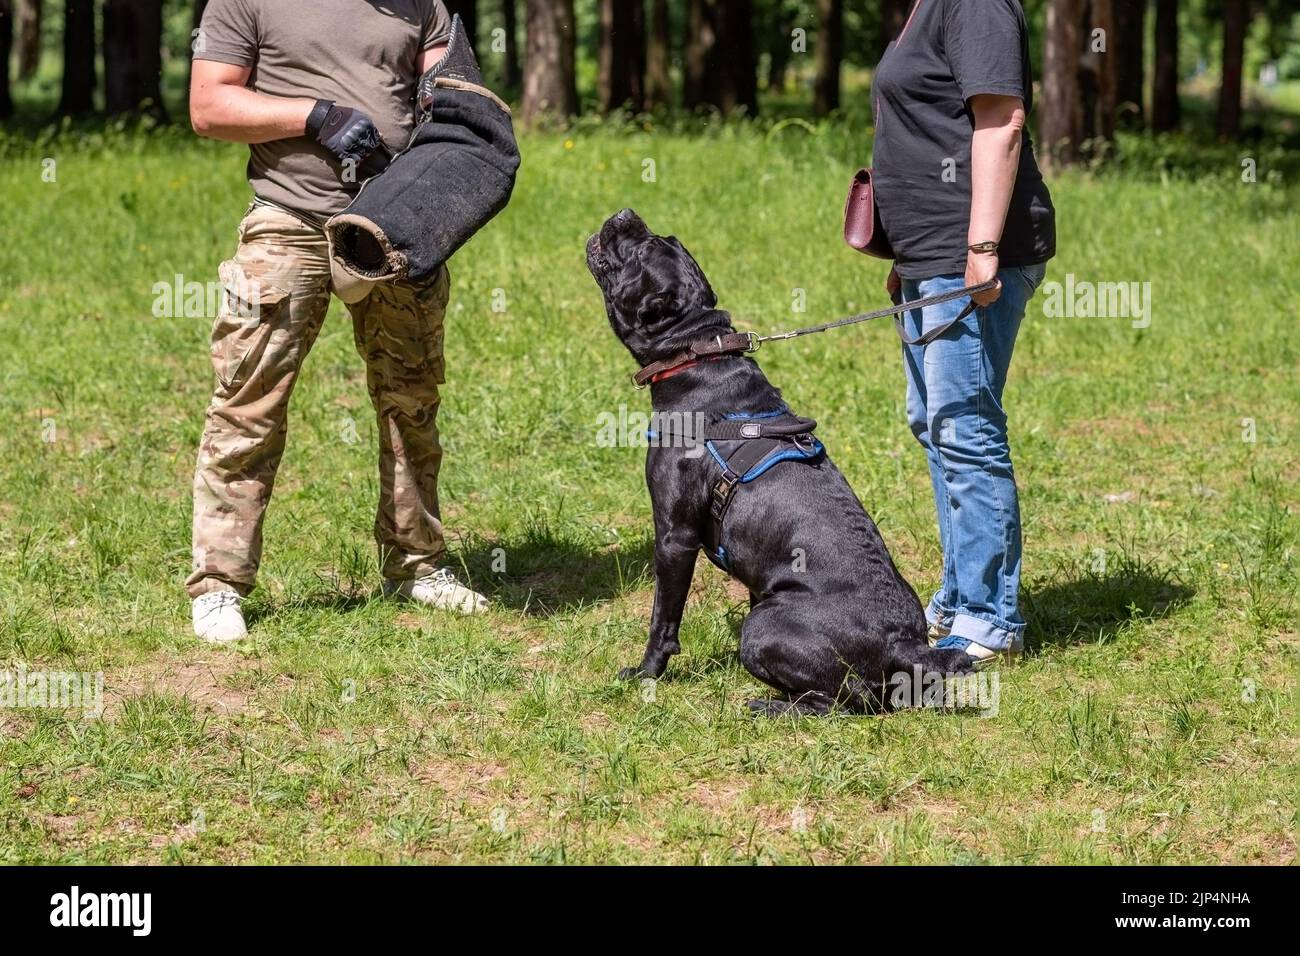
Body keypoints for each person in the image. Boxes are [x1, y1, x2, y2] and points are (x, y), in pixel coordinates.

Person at [186, 0, 488, 643]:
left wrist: (445, 158)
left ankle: (416, 567)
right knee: (248, 403)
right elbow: (209, 107)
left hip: (395, 229)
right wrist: (314, 116)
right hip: (288, 222)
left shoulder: (422, 6)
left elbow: (450, 101)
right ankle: (219, 585)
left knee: (411, 400)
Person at [870, 0, 1056, 665]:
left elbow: (1001, 120)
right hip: (931, 255)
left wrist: (980, 248)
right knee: (936, 421)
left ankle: (988, 619)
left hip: (972, 254)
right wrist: (908, 258)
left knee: (965, 426)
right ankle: (958, 596)